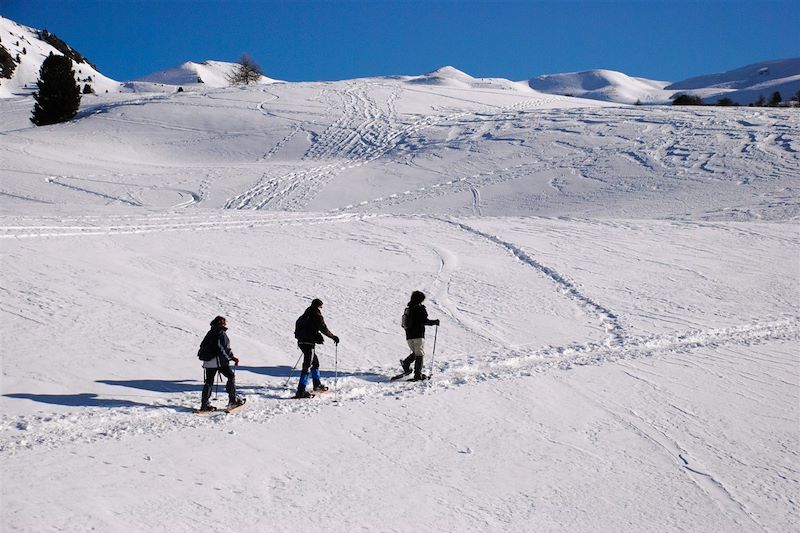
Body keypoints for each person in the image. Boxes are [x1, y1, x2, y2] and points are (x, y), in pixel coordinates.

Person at [294, 298, 339, 398]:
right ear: (318, 306)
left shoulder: (304, 315)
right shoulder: (316, 316)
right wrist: (333, 337)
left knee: (315, 362)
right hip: (309, 343)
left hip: (301, 342)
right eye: (321, 306)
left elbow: (298, 328)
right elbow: (324, 329)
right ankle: (301, 391)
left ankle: (317, 385)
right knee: (307, 366)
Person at [197, 316, 244, 411]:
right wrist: (232, 358)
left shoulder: (210, 332)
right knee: (231, 376)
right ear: (222, 323)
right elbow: (224, 348)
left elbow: (202, 345)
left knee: (209, 382)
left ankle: (204, 405)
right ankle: (232, 401)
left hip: (208, 362)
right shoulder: (221, 333)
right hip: (218, 361)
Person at [401, 291, 440, 381]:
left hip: (409, 336)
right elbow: (424, 321)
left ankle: (406, 363)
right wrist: (435, 322)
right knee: (419, 354)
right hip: (418, 335)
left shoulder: (408, 308)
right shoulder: (419, 308)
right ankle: (417, 375)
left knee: (416, 353)